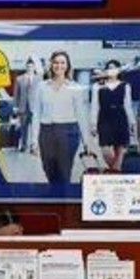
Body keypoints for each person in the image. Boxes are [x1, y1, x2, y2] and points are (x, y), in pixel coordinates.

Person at [31, 51, 95, 186]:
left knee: (64, 171)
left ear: (67, 66)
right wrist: (34, 140)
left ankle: (61, 196)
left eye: (62, 63)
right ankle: (56, 193)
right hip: (46, 132)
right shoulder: (42, 87)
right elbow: (36, 114)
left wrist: (87, 141)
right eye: (56, 62)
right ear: (51, 65)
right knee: (48, 169)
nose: (59, 66)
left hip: (68, 132)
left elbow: (81, 115)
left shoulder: (75, 87)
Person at [90, 60, 137, 172]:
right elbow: (94, 106)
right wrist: (93, 124)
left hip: (120, 118)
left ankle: (116, 173)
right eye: (109, 68)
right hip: (104, 119)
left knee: (120, 153)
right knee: (105, 151)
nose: (111, 70)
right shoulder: (98, 86)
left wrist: (132, 123)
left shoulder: (125, 86)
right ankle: (117, 172)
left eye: (114, 68)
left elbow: (128, 106)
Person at [12, 59, 41, 153]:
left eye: (31, 66)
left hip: (35, 108)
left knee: (35, 129)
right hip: (23, 107)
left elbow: (41, 94)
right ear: (26, 67)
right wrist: (15, 106)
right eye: (28, 66)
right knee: (23, 128)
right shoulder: (19, 79)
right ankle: (24, 145)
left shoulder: (38, 79)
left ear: (34, 67)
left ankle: (34, 146)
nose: (30, 68)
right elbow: (16, 94)